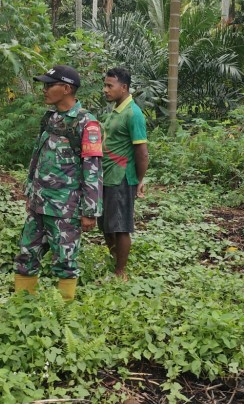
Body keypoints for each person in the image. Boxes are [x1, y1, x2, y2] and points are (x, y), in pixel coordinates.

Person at [14, 65, 103, 301]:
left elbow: (92, 169)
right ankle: (22, 306)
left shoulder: (86, 123)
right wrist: (30, 193)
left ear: (66, 89)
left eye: (49, 85)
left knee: (65, 260)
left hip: (65, 208)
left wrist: (90, 211)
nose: (44, 90)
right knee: (26, 254)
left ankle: (64, 310)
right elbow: (37, 157)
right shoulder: (50, 119)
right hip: (39, 203)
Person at [99, 68, 149, 280]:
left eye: (110, 85)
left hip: (121, 177)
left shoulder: (133, 114)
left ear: (124, 87)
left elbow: (142, 152)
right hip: (107, 175)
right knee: (105, 224)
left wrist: (138, 180)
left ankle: (121, 272)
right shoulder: (116, 109)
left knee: (120, 226)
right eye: (105, 85)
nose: (105, 89)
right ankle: (114, 260)